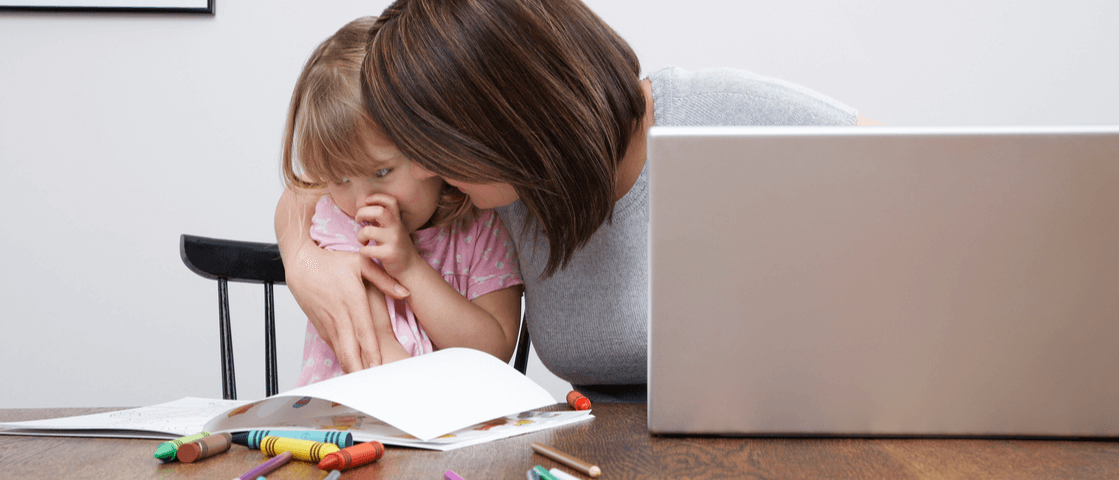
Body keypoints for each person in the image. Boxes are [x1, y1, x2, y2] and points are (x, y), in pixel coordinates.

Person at [275, 0, 878, 401]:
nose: (429, 169)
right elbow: (310, 192)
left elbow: (930, 178)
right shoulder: (501, 191)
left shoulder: (714, 114)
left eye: (436, 144)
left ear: (510, 116)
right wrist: (308, 266)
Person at [279, 17, 524, 387]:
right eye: (340, 179)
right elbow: (376, 352)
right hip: (355, 422)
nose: (363, 201)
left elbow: (494, 351)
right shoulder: (341, 223)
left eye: (381, 173)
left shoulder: (481, 225)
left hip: (451, 428)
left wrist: (409, 266)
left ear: (427, 145)